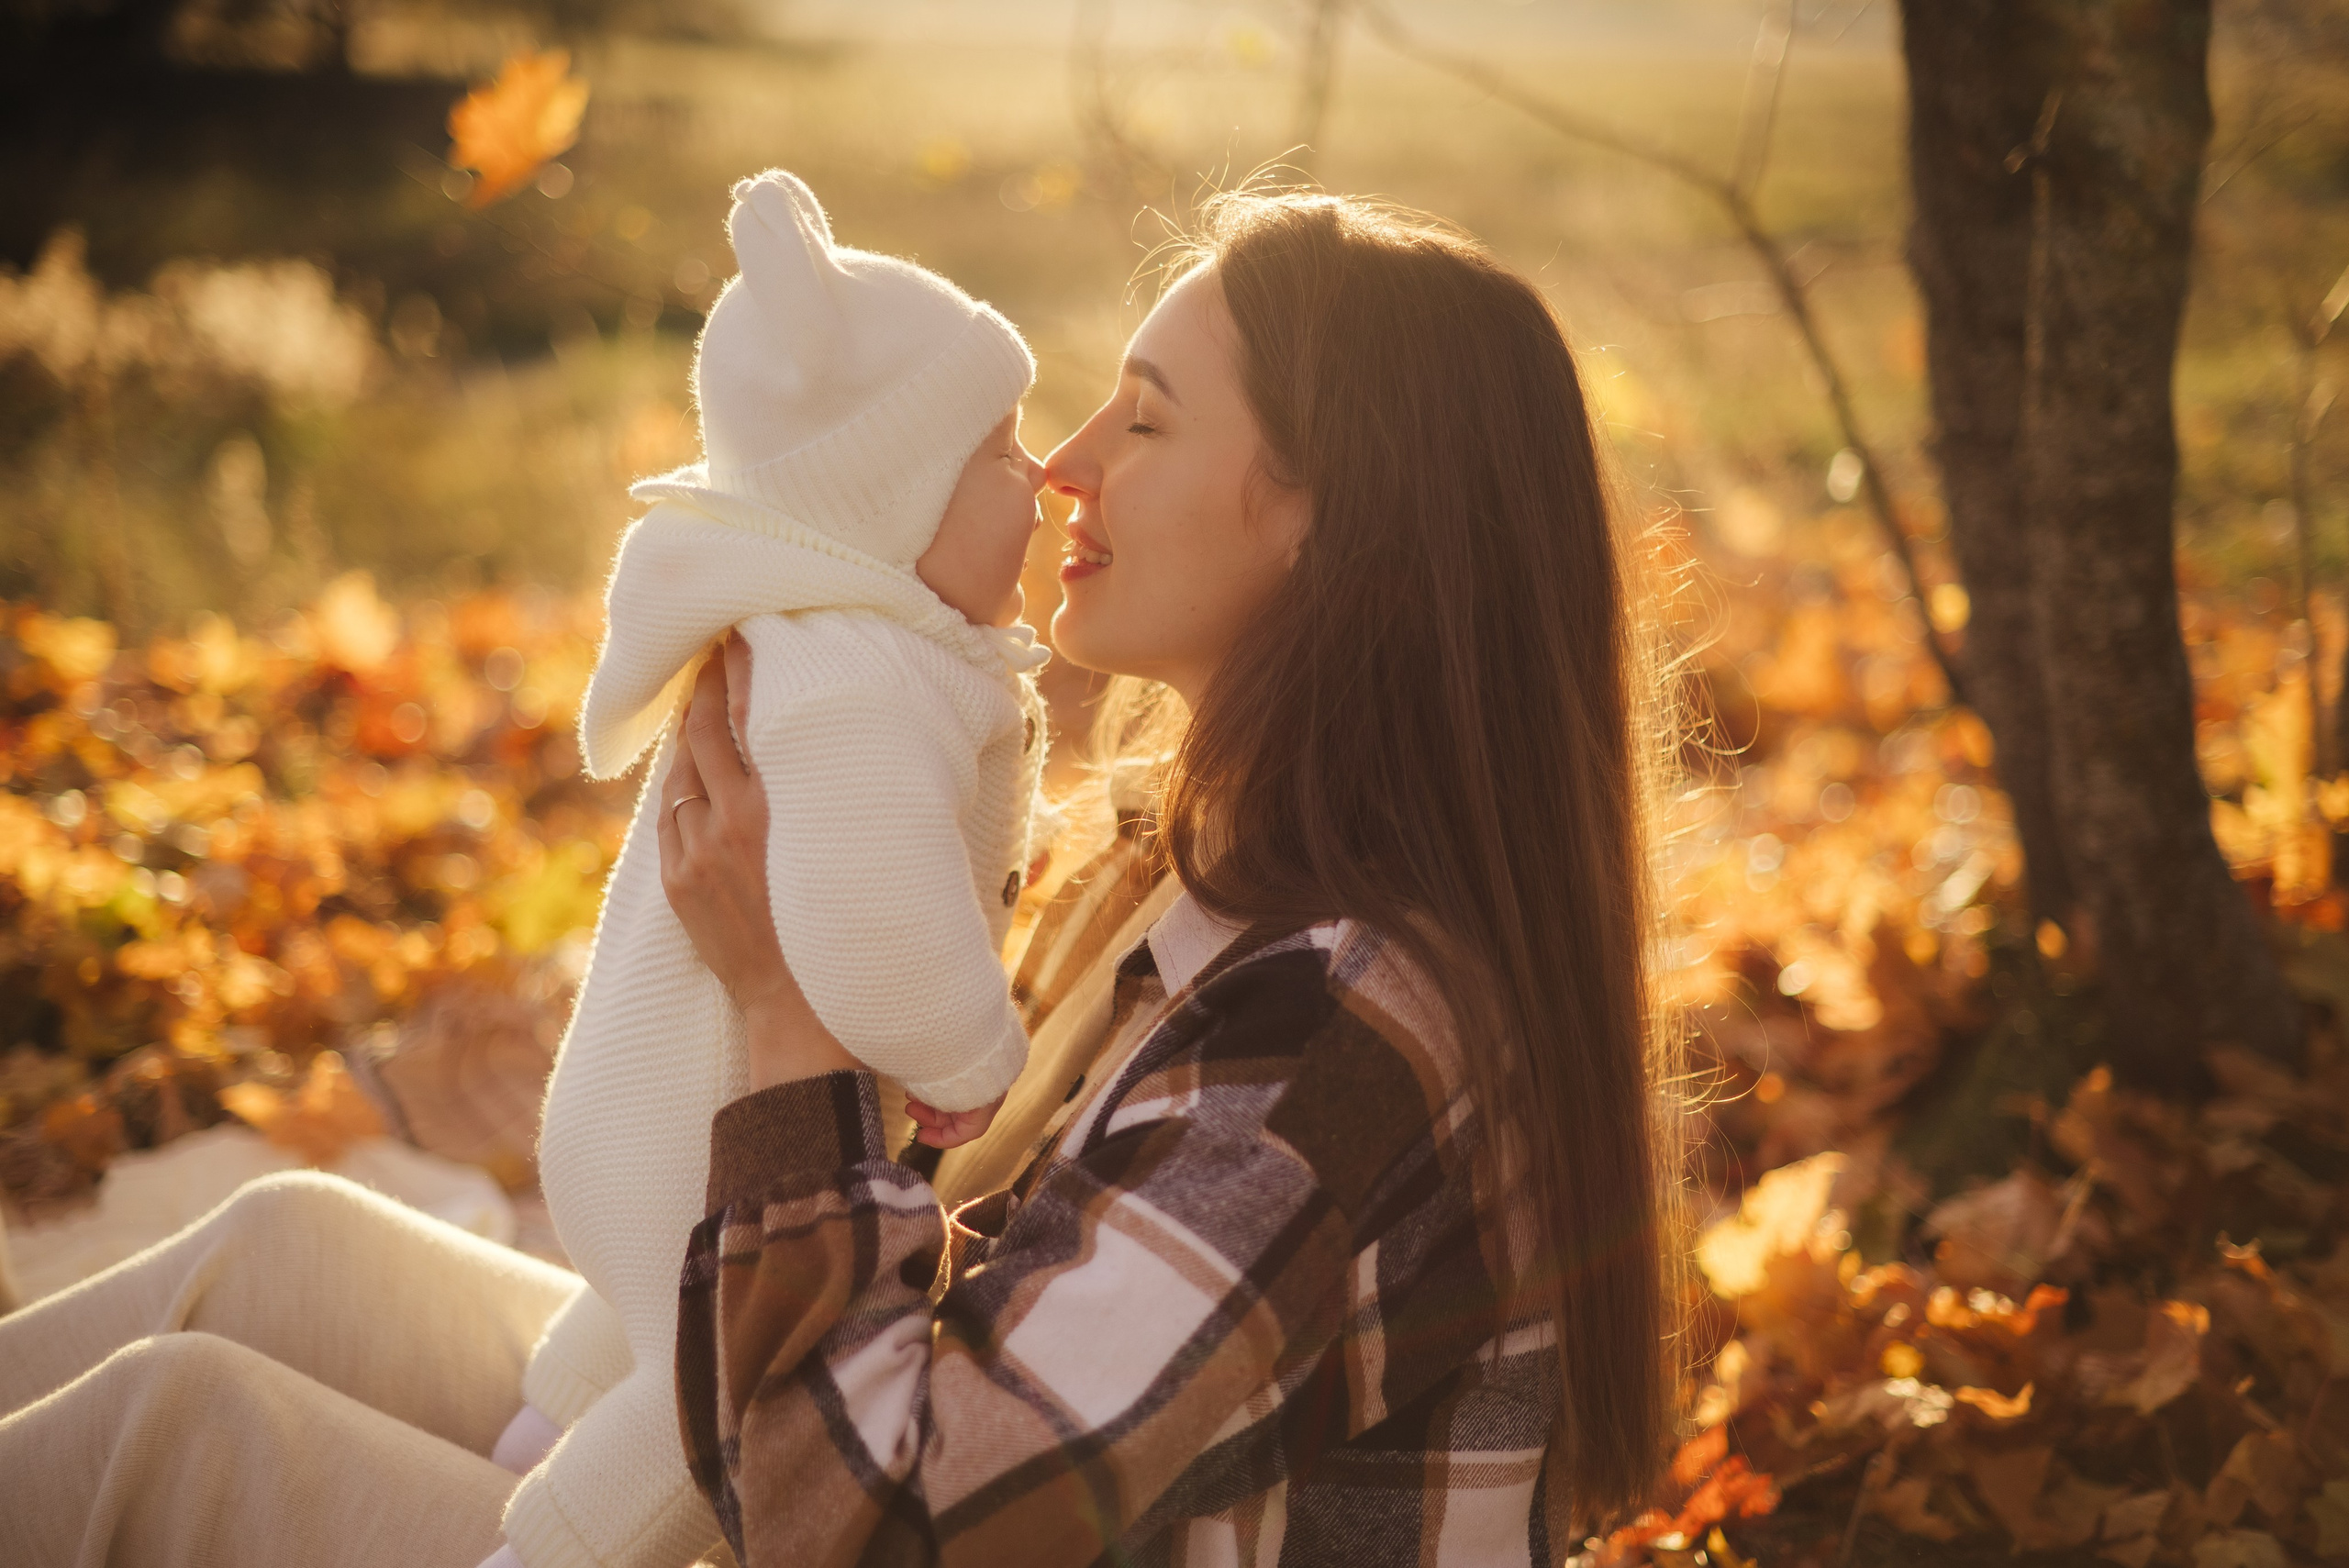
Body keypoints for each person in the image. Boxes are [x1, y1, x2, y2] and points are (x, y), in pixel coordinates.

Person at [0, 169, 1054, 1568]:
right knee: (624, 1370)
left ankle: (539, 1464)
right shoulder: (867, 677)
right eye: (1004, 451)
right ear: (891, 495)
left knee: (202, 1390)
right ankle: (547, 1518)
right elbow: (878, 920)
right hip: (730, 1177)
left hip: (699, 1186)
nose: (1051, 475)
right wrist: (974, 1053)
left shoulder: (837, 641)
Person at [655, 188, 1681, 1567]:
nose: (1061, 465)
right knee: (335, 1272)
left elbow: (869, 1530)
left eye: (1143, 421)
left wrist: (788, 1011)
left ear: (1330, 511)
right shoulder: (1167, 869)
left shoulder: (1332, 1035)